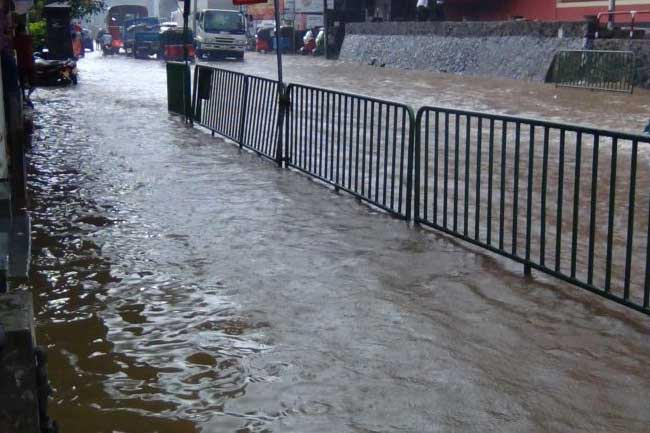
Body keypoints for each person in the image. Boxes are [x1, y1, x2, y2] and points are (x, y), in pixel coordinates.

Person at [13, 23, 34, 103]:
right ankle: (28, 97)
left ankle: (24, 97)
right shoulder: (28, 38)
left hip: (21, 64)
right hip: (30, 64)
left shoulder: (16, 39)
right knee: (33, 83)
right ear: (24, 30)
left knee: (21, 83)